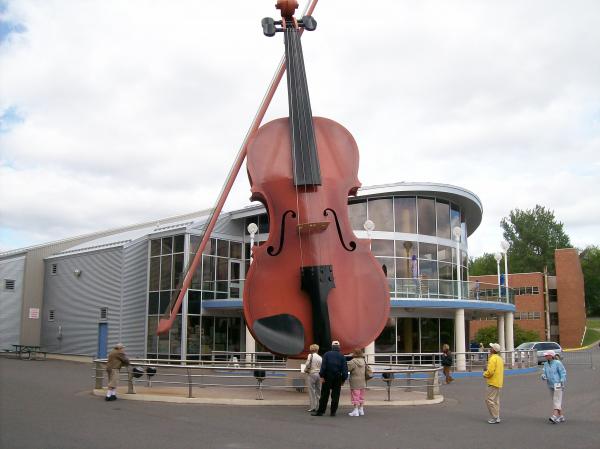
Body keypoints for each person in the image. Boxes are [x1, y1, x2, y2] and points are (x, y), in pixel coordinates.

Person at [312, 340, 348, 417]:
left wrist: (321, 376)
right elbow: (345, 369)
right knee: (335, 395)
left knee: (324, 395)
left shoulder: (327, 354)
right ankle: (333, 412)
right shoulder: (342, 356)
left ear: (332, 347)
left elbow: (323, 367)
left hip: (327, 376)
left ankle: (321, 411)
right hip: (337, 377)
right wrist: (343, 379)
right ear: (339, 347)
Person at [541, 350, 567, 423]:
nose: (545, 356)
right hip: (550, 384)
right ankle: (561, 416)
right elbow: (544, 372)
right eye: (545, 355)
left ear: (551, 356)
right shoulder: (546, 364)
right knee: (555, 400)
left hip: (558, 383)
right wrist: (543, 376)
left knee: (557, 399)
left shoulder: (558, 363)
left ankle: (554, 416)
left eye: (547, 355)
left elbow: (563, 372)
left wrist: (562, 380)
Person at [483, 342, 504, 424]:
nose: (489, 349)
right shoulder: (499, 358)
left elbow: (490, 371)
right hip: (498, 382)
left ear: (493, 350)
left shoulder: (492, 358)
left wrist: (484, 374)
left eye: (491, 347)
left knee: (489, 400)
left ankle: (495, 417)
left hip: (493, 382)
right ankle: (497, 416)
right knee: (496, 400)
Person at [347, 348, 368, 416]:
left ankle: (355, 410)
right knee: (361, 395)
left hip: (355, 381)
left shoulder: (353, 361)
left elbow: (348, 369)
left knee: (355, 395)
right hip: (362, 380)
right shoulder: (364, 360)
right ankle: (361, 409)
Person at [303, 343, 322, 412]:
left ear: (311, 349)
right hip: (319, 374)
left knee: (311, 391)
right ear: (317, 349)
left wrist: (305, 368)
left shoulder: (310, 355)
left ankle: (313, 407)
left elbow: (307, 364)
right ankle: (320, 406)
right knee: (318, 391)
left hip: (311, 373)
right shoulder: (320, 357)